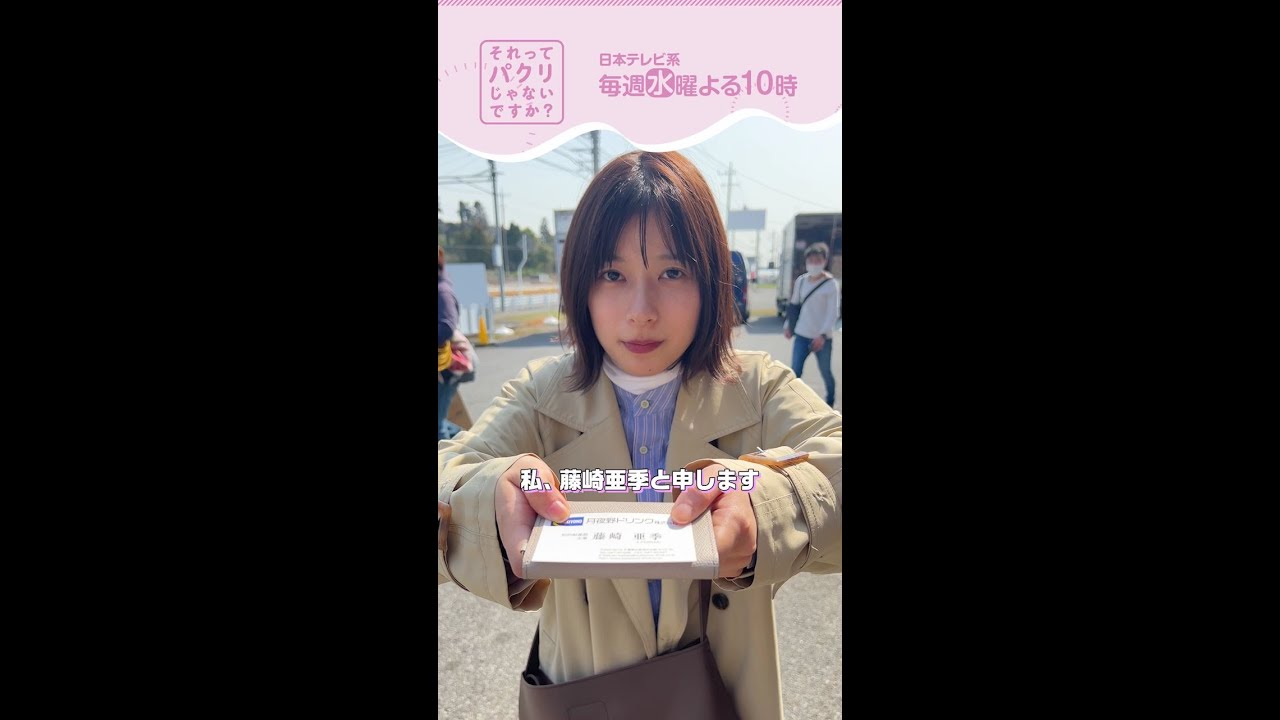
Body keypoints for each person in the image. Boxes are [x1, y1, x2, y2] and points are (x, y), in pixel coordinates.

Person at [437, 151, 841, 720]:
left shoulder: (758, 386)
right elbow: (449, 473)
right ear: (580, 284)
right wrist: (486, 497)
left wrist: (765, 504)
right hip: (584, 691)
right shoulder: (540, 393)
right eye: (613, 274)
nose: (641, 310)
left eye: (672, 272)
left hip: (726, 692)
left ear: (711, 280)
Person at [782, 242, 839, 407]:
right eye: (811, 260)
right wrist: (788, 326)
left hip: (822, 338)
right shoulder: (801, 281)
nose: (814, 264)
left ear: (824, 261)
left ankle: (830, 402)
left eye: (818, 260)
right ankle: (792, 404)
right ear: (806, 262)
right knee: (795, 371)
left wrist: (822, 335)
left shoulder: (831, 284)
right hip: (802, 334)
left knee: (826, 372)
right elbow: (794, 305)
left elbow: (833, 313)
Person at [438, 246, 462, 440]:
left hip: (445, 368)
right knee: (441, 422)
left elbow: (447, 326)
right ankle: (470, 444)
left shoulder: (442, 291)